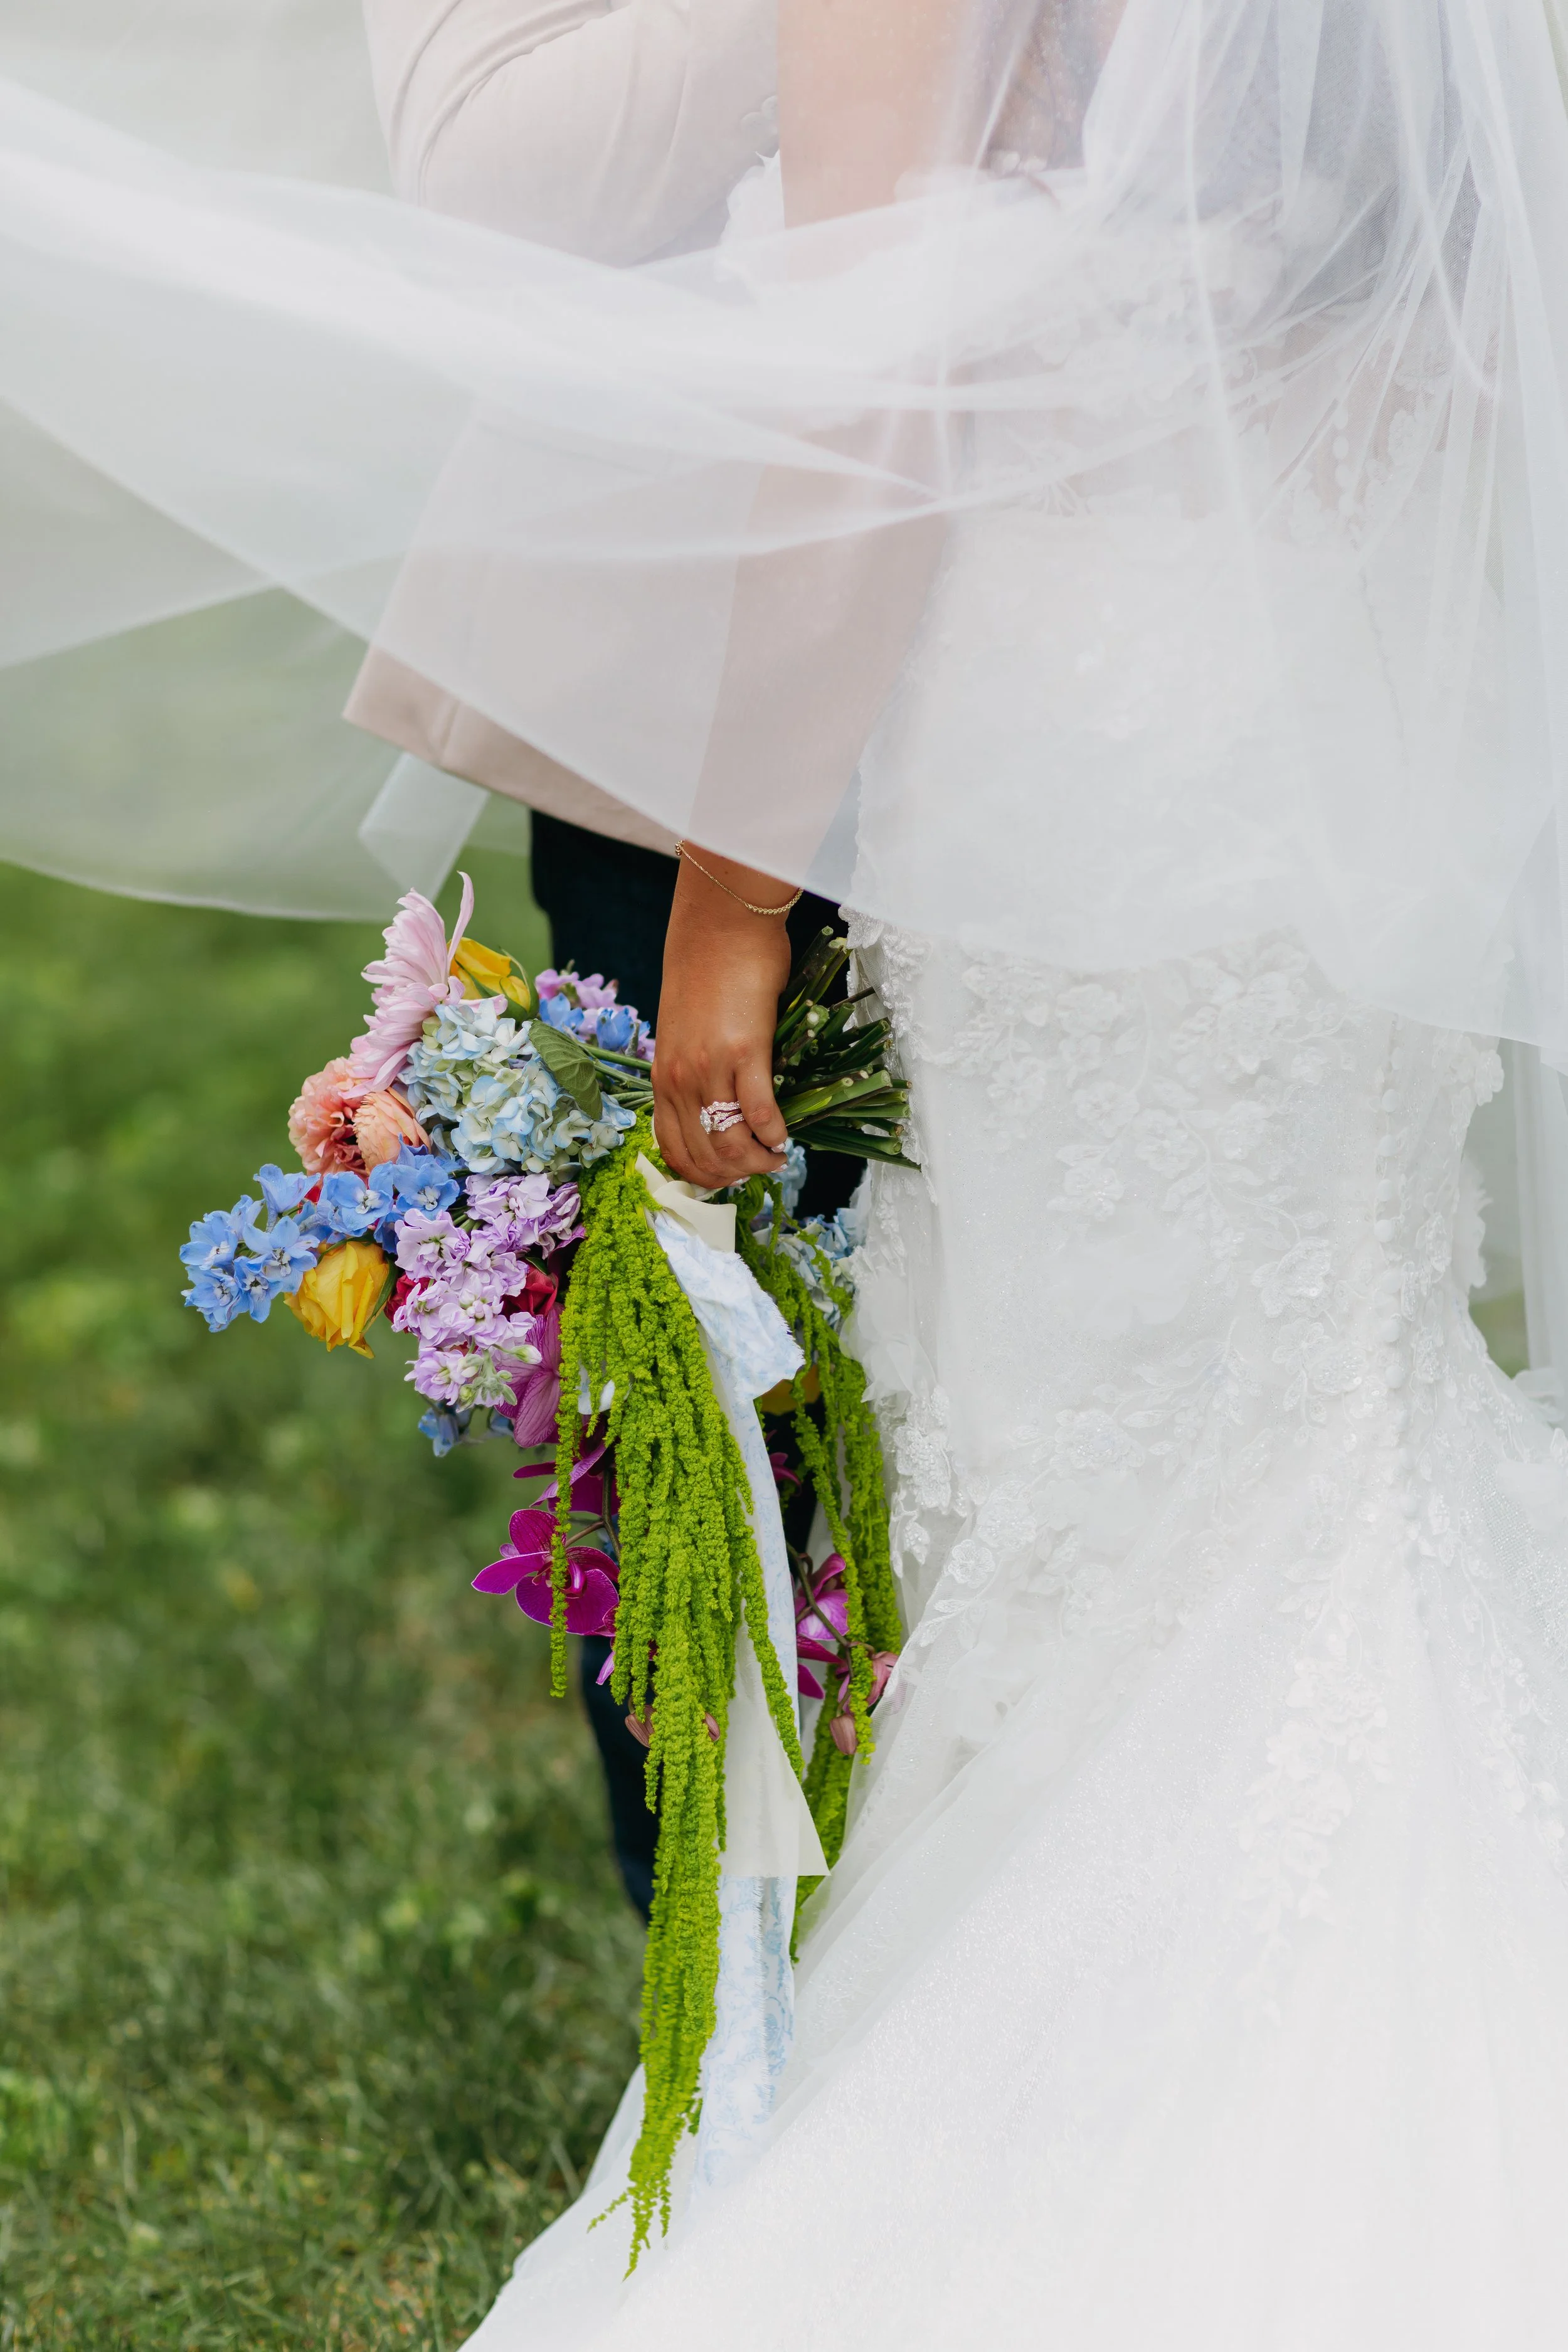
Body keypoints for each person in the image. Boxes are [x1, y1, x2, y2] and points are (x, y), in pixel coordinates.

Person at [11, 3, 1568, 2346]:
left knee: (1081, 1431)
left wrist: (732, 899)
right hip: (1300, 695)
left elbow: (867, 414)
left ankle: (1118, 2070)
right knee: (1324, 1391)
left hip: (1068, 734)